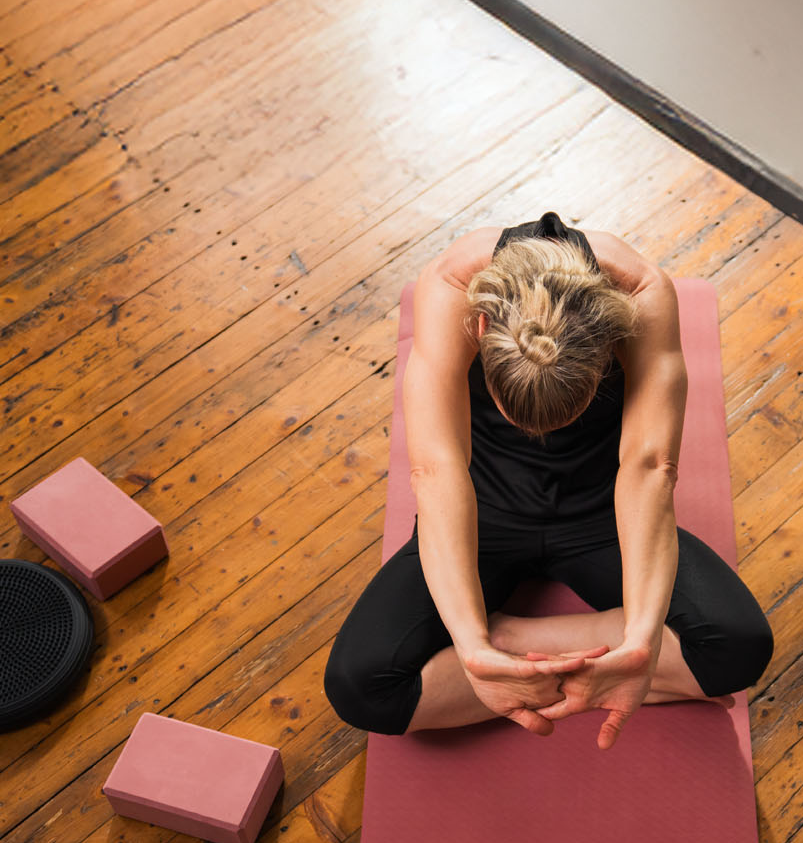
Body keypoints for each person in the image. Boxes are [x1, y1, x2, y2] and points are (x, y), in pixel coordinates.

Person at [324, 213, 773, 748]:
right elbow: (436, 470)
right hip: (482, 511)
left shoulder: (641, 291)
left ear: (609, 346)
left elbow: (650, 467)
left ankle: (516, 641)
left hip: (602, 512)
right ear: (483, 330)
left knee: (740, 649)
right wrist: (471, 646)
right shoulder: (452, 285)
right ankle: (526, 662)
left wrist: (642, 643)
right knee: (358, 688)